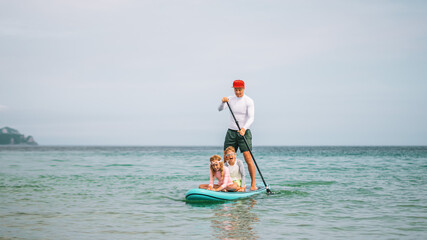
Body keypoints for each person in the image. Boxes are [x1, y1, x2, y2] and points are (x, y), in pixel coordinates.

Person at [218, 79, 257, 190]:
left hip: (244, 132)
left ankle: (253, 183)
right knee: (226, 159)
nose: (238, 92)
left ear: (243, 89)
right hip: (231, 132)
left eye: (239, 90)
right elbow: (219, 109)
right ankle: (225, 183)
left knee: (248, 157)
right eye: (236, 90)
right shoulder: (230, 99)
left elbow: (251, 117)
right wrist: (222, 102)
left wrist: (244, 128)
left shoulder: (249, 101)